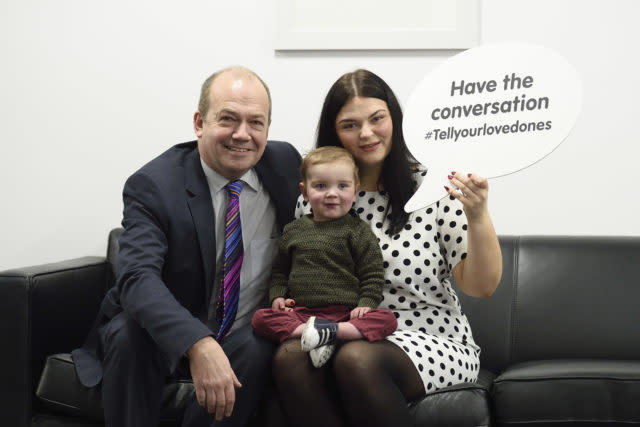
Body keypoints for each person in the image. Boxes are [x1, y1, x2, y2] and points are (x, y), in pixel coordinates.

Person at [71, 66, 302, 427]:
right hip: (161, 336)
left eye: (256, 123)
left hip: (241, 336)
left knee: (260, 342)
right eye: (228, 119)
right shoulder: (154, 185)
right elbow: (136, 277)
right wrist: (199, 343)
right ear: (199, 122)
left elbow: (344, 180)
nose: (243, 134)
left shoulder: (286, 166)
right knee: (128, 333)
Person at [271, 69, 503, 427]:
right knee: (290, 356)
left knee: (357, 360)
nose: (366, 133)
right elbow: (293, 273)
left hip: (431, 339)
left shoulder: (434, 188)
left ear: (394, 119)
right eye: (350, 125)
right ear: (335, 132)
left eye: (377, 118)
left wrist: (477, 215)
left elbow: (481, 286)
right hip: (341, 332)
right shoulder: (318, 197)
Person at [251, 146, 397, 368]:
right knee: (260, 318)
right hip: (302, 314)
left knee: (387, 320)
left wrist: (366, 303)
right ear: (305, 192)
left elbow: (373, 275)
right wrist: (277, 296)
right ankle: (318, 334)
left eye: (342, 186)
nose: (332, 193)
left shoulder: (357, 231)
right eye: (321, 186)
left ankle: (330, 333)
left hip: (345, 313)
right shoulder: (294, 230)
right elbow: (280, 270)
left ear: (355, 192)